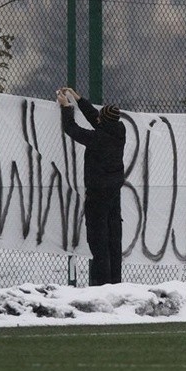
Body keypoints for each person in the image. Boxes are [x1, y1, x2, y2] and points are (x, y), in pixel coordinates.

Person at [57, 88, 126, 286]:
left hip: (97, 195)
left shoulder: (98, 139)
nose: (97, 120)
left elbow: (72, 129)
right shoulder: (119, 131)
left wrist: (66, 108)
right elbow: (97, 118)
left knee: (98, 241)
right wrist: (78, 99)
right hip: (114, 193)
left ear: (103, 122)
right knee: (114, 239)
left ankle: (100, 285)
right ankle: (115, 282)